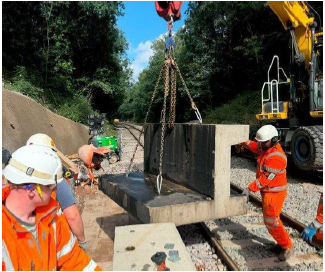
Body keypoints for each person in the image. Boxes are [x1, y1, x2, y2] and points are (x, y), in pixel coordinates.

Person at [2, 145, 101, 270]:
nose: (55, 189)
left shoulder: (50, 218)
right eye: (50, 186)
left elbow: (76, 262)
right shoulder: (4, 237)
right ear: (31, 190)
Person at [241, 124, 293, 261]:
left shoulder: (276, 157)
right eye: (260, 142)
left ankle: (287, 246)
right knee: (270, 221)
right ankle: (281, 243)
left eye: (263, 142)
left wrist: (249, 188)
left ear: (274, 140)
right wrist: (243, 142)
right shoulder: (266, 147)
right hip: (268, 191)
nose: (261, 145)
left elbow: (264, 180)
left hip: (274, 193)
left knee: (272, 220)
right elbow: (254, 146)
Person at [26, 133, 87, 250]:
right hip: (53, 244)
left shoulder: (14, 179)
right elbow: (73, 216)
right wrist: (82, 242)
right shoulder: (56, 181)